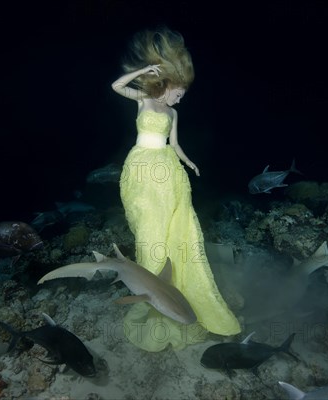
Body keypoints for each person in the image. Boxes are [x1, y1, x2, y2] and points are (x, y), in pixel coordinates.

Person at [111, 26, 241, 352]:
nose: (181, 97)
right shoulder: (143, 99)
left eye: (183, 93)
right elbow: (116, 85)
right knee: (149, 232)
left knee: (178, 231)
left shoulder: (173, 112)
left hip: (169, 173)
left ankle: (172, 294)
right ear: (167, 84)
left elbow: (176, 145)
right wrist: (142, 71)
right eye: (179, 91)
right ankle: (150, 288)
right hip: (141, 171)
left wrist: (190, 163)